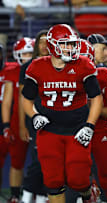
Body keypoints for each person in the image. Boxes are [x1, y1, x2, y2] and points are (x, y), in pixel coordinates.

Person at [21, 24, 103, 203]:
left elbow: (97, 98)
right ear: (51, 45)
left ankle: (88, 193)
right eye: (65, 44)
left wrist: (89, 126)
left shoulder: (83, 64)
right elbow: (26, 99)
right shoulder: (37, 67)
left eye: (72, 44)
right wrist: (34, 115)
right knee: (53, 181)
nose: (70, 48)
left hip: (76, 129)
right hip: (49, 131)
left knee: (78, 179)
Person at [80, 39, 107, 203]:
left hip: (99, 130)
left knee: (106, 179)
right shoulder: (61, 76)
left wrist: (93, 109)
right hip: (72, 131)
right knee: (74, 180)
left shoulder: (103, 74)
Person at [18, 30, 49, 203]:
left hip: (56, 118)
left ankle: (43, 196)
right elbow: (23, 98)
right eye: (41, 42)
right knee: (38, 160)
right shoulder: (27, 67)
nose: (44, 46)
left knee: (52, 160)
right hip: (35, 118)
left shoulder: (58, 64)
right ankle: (28, 195)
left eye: (47, 42)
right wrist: (22, 125)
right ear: (36, 45)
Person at [1, 37, 33, 203]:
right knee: (16, 161)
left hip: (37, 119)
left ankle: (40, 194)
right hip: (17, 120)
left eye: (30, 53)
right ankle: (15, 194)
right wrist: (7, 125)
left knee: (42, 162)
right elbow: (7, 102)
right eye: (24, 53)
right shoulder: (12, 71)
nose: (27, 56)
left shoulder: (42, 68)